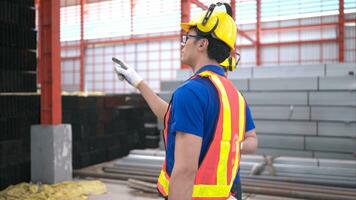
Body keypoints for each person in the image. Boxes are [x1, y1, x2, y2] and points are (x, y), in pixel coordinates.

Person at [113, 3, 257, 199]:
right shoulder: (234, 95)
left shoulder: (191, 91)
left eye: (187, 38)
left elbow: (185, 171)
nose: (183, 43)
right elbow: (173, 116)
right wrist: (139, 83)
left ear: (202, 44)